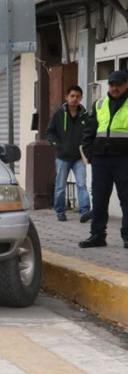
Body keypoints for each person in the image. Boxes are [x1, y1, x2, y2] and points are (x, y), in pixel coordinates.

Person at [79, 70, 128, 249]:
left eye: (119, 84)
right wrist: (91, 154)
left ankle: (127, 236)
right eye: (112, 84)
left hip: (124, 159)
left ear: (126, 84)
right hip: (101, 160)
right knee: (99, 200)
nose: (115, 88)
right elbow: (89, 132)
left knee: (126, 199)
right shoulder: (99, 104)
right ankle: (97, 235)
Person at [45, 85, 91, 222]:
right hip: (62, 157)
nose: (75, 99)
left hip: (79, 157)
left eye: (77, 96)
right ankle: (60, 211)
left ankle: (84, 212)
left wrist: (87, 147)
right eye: (72, 96)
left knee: (82, 184)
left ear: (81, 98)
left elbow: (90, 132)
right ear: (66, 97)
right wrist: (57, 145)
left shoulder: (85, 115)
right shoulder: (59, 114)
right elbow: (49, 132)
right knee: (60, 186)